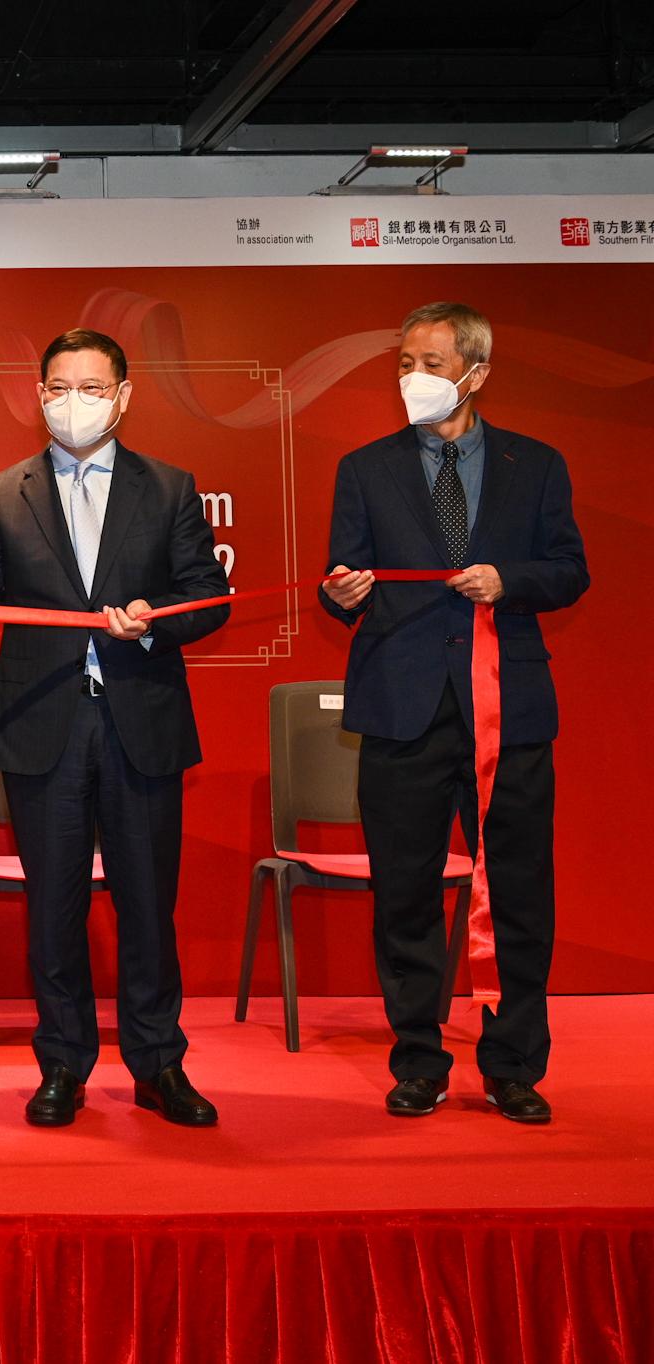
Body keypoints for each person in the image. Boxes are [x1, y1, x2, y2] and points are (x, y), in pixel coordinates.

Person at [0, 327, 229, 1129]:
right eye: (58, 386)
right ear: (39, 394)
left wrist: (157, 622)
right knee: (52, 909)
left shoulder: (169, 488)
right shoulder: (1, 493)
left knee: (147, 906)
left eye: (91, 387)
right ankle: (62, 1065)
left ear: (123, 396)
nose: (73, 401)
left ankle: (159, 1064)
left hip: (140, 723)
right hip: (42, 725)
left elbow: (210, 595)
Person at [320, 301, 588, 1124]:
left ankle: (513, 1064)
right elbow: (342, 583)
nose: (413, 378)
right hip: (403, 708)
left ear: (475, 373)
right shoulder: (365, 468)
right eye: (404, 363)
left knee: (516, 889)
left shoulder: (534, 464)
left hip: (507, 708)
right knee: (404, 891)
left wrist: (511, 580)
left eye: (430, 364)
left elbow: (569, 570)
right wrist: (343, 592)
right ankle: (419, 1060)